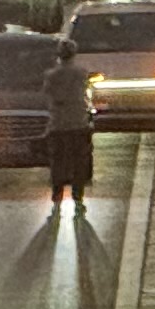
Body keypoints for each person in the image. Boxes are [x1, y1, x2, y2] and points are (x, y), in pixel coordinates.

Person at [46, 64, 95, 213]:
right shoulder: (81, 73)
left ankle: (57, 193)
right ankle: (77, 195)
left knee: (58, 159)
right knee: (79, 160)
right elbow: (86, 95)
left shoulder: (51, 75)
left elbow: (48, 95)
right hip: (78, 124)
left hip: (59, 124)